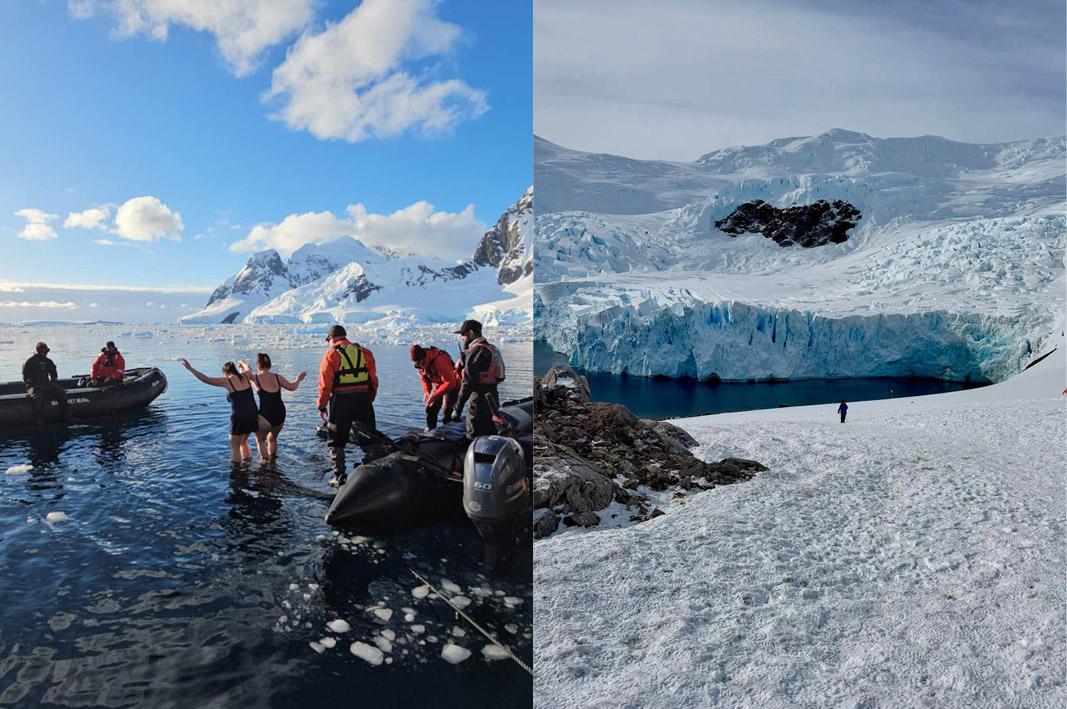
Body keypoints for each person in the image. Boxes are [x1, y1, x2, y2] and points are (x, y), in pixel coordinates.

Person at [317, 325, 378, 487]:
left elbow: (325, 386)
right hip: (363, 399)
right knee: (369, 436)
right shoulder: (365, 352)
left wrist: (322, 406)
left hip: (341, 402)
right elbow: (373, 380)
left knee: (335, 440)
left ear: (332, 339)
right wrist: (369, 399)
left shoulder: (330, 355)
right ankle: (375, 473)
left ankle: (339, 476)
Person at [180, 358, 261, 463]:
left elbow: (205, 379)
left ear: (225, 373)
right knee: (243, 442)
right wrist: (242, 362)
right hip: (252, 413)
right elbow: (248, 368)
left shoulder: (227, 381)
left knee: (235, 446)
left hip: (240, 416)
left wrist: (190, 369)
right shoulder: (246, 376)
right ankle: (247, 462)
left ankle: (237, 472)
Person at [238, 353, 306, 462]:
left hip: (266, 415)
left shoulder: (255, 377)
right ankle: (273, 461)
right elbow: (293, 387)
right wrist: (298, 379)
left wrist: (242, 363)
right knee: (273, 438)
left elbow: (247, 371)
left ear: (258, 366)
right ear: (269, 364)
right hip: (280, 414)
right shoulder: (277, 377)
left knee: (260, 441)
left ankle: (264, 464)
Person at [450, 319, 506, 439]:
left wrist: (457, 409)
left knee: (474, 436)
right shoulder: (491, 348)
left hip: (478, 401)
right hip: (493, 398)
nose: (462, 338)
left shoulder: (475, 351)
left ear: (470, 333)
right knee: (491, 434)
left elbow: (468, 382)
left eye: (463, 334)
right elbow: (500, 376)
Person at [411, 344, 460, 430]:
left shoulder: (440, 361)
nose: (418, 365)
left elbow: (450, 382)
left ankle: (449, 432)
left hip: (453, 385)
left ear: (424, 358)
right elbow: (424, 378)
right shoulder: (420, 363)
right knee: (431, 408)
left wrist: (434, 396)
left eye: (419, 362)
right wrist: (427, 391)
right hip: (439, 384)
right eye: (416, 362)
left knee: (447, 411)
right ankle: (430, 429)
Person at [23, 341, 68, 424]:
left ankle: (66, 417)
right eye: (44, 352)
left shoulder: (48, 361)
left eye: (47, 351)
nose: (46, 353)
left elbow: (53, 374)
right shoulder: (29, 362)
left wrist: (53, 383)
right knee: (39, 398)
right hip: (33, 387)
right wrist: (35, 386)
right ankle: (39, 420)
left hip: (46, 385)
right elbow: (26, 377)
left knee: (61, 394)